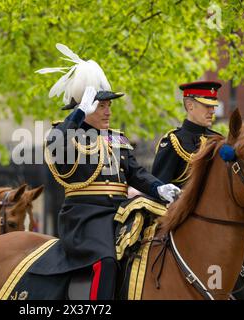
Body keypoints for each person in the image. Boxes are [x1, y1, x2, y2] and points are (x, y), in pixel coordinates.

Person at [37, 44, 180, 300]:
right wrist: (79, 113)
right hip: (85, 217)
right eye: (100, 106)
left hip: (120, 212)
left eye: (108, 105)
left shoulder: (117, 139)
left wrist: (159, 187)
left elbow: (136, 173)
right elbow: (55, 147)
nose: (107, 111)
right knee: (106, 260)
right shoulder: (68, 134)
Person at [152, 81, 222, 187]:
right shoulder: (174, 141)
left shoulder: (218, 140)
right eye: (207, 106)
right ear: (190, 106)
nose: (212, 111)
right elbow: (159, 188)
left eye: (213, 106)